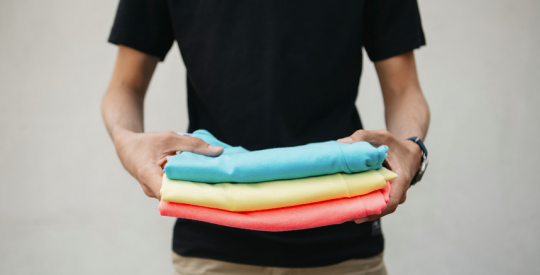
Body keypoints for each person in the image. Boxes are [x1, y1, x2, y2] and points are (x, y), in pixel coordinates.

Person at [102, 1, 430, 274]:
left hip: (344, 237)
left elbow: (403, 87)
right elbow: (125, 84)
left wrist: (412, 148)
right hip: (213, 239)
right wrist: (126, 142)